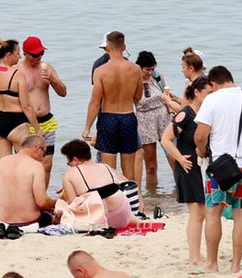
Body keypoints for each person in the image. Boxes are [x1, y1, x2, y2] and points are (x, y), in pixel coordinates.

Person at [194, 65, 242, 274]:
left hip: (220, 166)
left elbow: (200, 136)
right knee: (241, 215)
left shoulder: (212, 100)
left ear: (213, 84)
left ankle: (212, 263)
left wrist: (201, 151)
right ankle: (235, 264)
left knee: (213, 213)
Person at [162, 77, 211, 266]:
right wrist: (180, 158)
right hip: (187, 166)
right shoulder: (185, 114)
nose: (210, 97)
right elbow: (166, 139)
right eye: (207, 93)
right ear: (197, 93)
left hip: (203, 166)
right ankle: (194, 256)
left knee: (205, 212)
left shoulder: (207, 114)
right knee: (196, 213)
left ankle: (198, 254)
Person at [84, 31, 143, 184]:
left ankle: (113, 206)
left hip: (108, 119)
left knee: (108, 171)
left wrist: (87, 127)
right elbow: (138, 97)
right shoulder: (135, 69)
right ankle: (132, 204)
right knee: (129, 171)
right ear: (124, 47)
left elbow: (95, 102)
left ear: (108, 47)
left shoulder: (100, 71)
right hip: (128, 117)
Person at [19, 36, 67, 182]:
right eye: (35, 54)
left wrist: (53, 79)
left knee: (47, 163)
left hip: (47, 121)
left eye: (41, 53)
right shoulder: (18, 70)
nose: (39, 57)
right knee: (27, 164)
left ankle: (42, 198)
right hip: (26, 122)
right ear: (25, 53)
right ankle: (27, 199)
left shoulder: (47, 68)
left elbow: (63, 92)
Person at [58, 139, 133, 230]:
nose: (69, 165)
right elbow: (128, 182)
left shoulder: (70, 173)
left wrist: (63, 194)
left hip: (99, 220)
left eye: (69, 163)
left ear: (75, 159)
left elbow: (72, 203)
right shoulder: (105, 166)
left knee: (61, 203)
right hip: (123, 216)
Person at [0, 38, 35, 160]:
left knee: (4, 165)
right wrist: (38, 129)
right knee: (24, 164)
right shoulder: (18, 74)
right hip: (17, 123)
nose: (20, 57)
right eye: (17, 53)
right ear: (8, 54)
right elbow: (26, 106)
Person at [0, 135, 57, 229]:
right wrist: (56, 203)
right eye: (44, 153)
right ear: (38, 148)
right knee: (49, 215)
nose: (43, 158)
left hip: (2, 220)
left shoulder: (3, 161)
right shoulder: (36, 166)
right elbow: (42, 202)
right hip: (28, 221)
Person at [134, 51, 171, 193]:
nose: (150, 72)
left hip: (163, 118)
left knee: (173, 158)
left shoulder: (157, 78)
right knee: (150, 165)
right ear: (139, 67)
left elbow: (166, 97)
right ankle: (153, 194)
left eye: (152, 69)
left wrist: (171, 112)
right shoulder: (133, 80)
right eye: (147, 69)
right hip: (144, 121)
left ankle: (181, 190)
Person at [163, 48, 205, 112]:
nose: (182, 71)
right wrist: (177, 98)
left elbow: (183, 111)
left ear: (191, 68)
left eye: (183, 67)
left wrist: (168, 101)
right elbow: (192, 103)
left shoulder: (190, 86)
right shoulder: (206, 81)